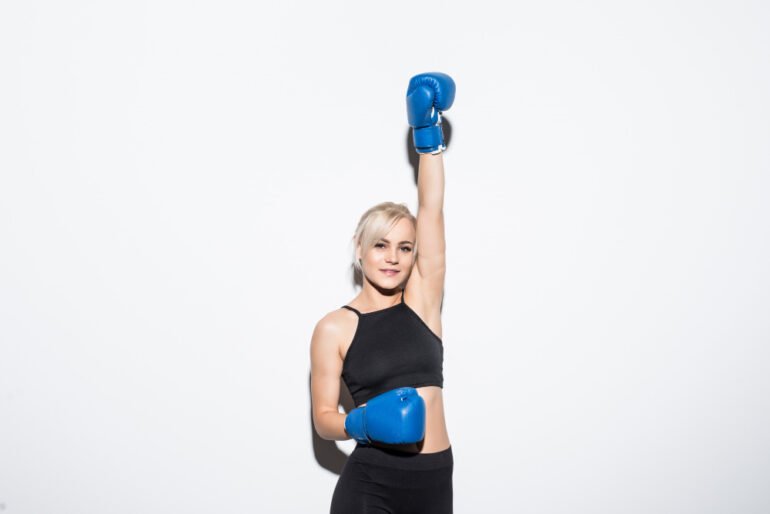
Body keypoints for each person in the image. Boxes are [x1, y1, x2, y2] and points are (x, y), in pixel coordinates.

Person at [310, 72, 456, 514]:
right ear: (360, 249)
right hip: (371, 484)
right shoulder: (334, 327)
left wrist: (426, 138)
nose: (392, 257)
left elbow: (431, 207)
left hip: (435, 478)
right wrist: (364, 423)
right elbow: (323, 419)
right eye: (380, 245)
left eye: (405, 248)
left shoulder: (422, 304)